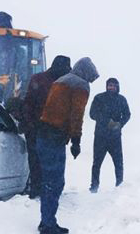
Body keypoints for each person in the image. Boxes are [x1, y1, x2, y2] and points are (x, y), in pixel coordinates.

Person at [36, 57, 99, 234]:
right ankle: (48, 225)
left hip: (43, 133)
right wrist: (76, 140)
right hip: (54, 137)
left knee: (48, 180)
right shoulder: (80, 85)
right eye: (91, 78)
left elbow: (51, 108)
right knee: (55, 182)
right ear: (86, 72)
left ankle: (46, 221)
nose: (90, 82)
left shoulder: (60, 81)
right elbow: (76, 115)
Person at [21, 55, 72, 199]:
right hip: (45, 129)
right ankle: (43, 190)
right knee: (45, 162)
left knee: (38, 161)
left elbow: (28, 103)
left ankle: (40, 190)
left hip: (44, 128)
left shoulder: (39, 79)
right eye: (67, 68)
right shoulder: (59, 83)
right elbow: (29, 103)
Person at [89, 77, 130, 193]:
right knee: (96, 163)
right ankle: (94, 186)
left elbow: (127, 114)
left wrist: (119, 124)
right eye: (109, 85)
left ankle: (119, 185)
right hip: (100, 136)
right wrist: (107, 122)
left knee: (118, 162)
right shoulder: (99, 98)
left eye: (113, 85)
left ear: (117, 86)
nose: (111, 87)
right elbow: (92, 114)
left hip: (115, 137)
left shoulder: (121, 100)